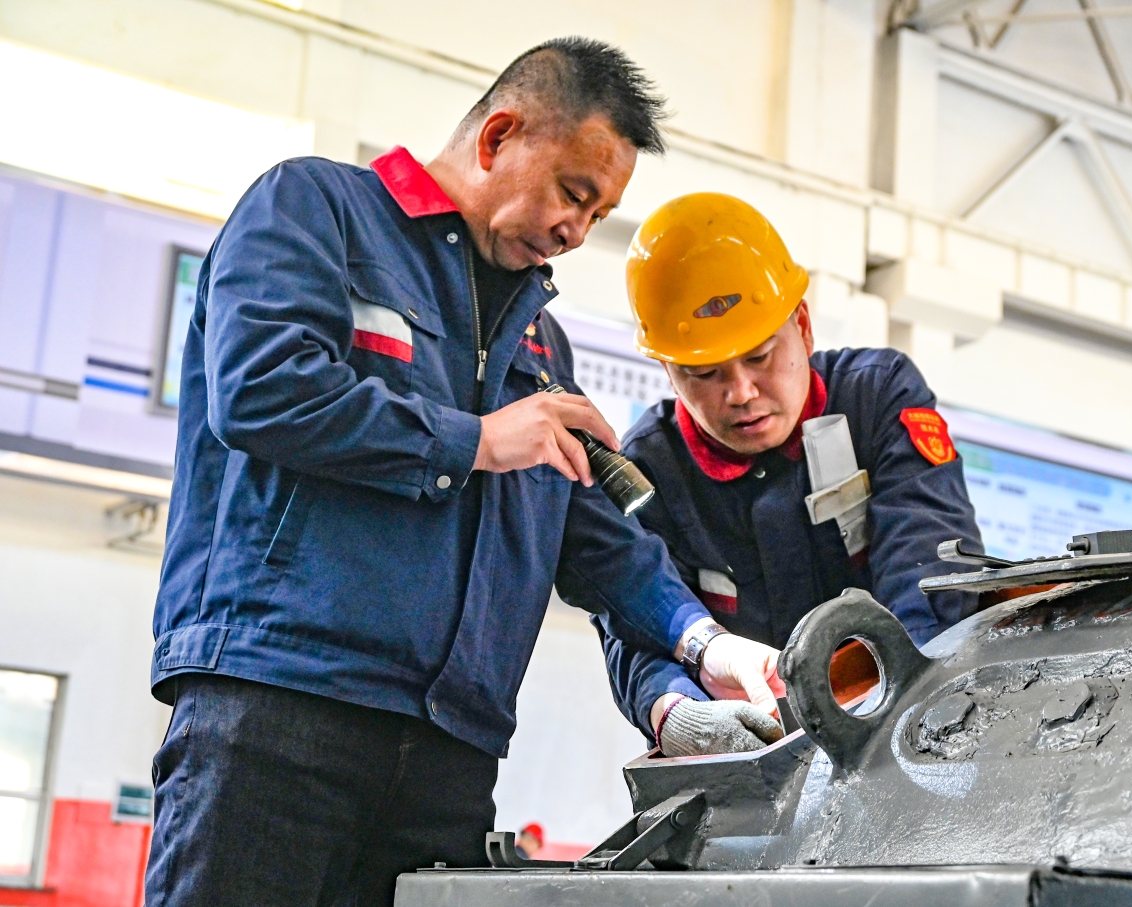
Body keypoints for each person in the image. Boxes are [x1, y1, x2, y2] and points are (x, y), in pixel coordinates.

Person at [146, 41, 783, 907]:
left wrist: (705, 644)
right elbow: (262, 389)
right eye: (573, 193)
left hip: (450, 752)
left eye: (598, 214)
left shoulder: (540, 344)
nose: (577, 231)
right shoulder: (317, 210)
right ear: (497, 136)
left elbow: (594, 537)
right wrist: (474, 439)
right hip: (280, 707)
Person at [593, 193, 984, 758]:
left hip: (902, 723)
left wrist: (900, 700)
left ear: (802, 326)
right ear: (669, 372)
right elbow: (634, 627)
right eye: (705, 373)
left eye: (759, 356)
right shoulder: (648, 473)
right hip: (751, 752)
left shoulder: (877, 398)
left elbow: (930, 568)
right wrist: (676, 711)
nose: (741, 392)